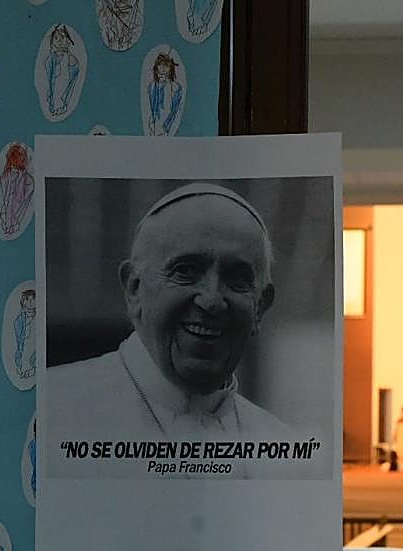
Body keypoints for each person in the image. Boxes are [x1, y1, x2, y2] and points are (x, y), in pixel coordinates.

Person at [47, 184, 296, 455]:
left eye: (237, 278)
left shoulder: (284, 449)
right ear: (134, 288)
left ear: (260, 306)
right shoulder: (49, 411)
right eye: (185, 271)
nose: (211, 300)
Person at [146, 50, 184, 136]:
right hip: (154, 127)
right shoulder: (152, 86)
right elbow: (151, 108)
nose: (162, 68)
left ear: (170, 68)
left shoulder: (175, 87)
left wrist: (167, 126)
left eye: (166, 65)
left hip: (168, 128)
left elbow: (176, 111)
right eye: (160, 65)